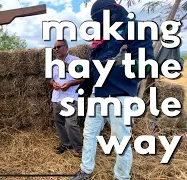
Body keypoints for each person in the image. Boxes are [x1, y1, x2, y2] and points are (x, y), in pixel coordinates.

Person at [70, 0, 154, 180]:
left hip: (121, 94)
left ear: (112, 12)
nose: (99, 23)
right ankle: (86, 170)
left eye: (101, 19)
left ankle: (121, 177)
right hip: (98, 94)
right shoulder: (100, 37)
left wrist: (124, 62)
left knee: (120, 139)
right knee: (89, 133)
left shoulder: (135, 28)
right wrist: (85, 86)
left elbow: (146, 64)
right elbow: (94, 67)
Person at [50, 39, 84, 156]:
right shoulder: (54, 63)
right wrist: (53, 83)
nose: (56, 49)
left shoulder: (76, 61)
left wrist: (69, 84)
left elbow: (83, 78)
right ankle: (66, 144)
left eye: (59, 47)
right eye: (55, 47)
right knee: (59, 122)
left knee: (70, 124)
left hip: (70, 97)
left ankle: (79, 149)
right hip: (56, 97)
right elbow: (50, 79)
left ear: (66, 47)